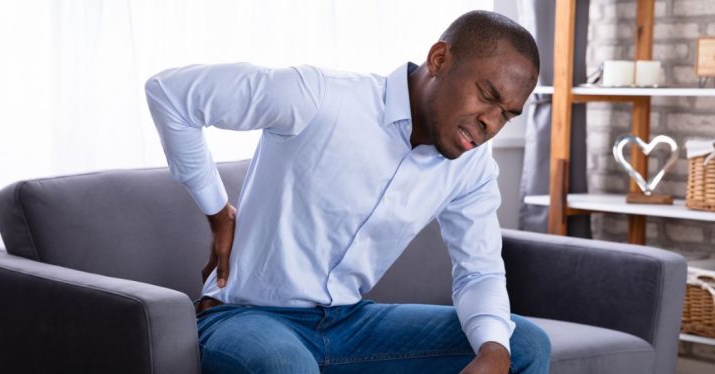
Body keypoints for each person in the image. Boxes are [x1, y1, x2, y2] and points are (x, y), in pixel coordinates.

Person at [145, 10, 549, 374]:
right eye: (488, 96)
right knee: (286, 364)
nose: (491, 124)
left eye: (508, 115)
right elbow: (171, 93)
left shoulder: (471, 165)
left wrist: (494, 353)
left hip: (349, 325)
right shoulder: (319, 97)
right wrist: (218, 211)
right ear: (439, 59)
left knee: (521, 343)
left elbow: (479, 271)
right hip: (245, 317)